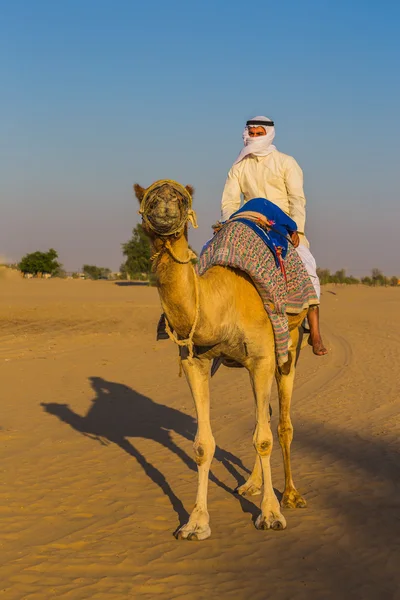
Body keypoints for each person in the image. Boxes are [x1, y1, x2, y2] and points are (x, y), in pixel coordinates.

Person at [220, 115, 327, 355]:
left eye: (259, 134)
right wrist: (230, 221)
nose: (254, 138)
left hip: (284, 226)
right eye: (252, 133)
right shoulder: (238, 167)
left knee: (306, 267)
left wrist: (296, 228)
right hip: (248, 223)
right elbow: (229, 201)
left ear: (269, 134)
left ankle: (315, 330)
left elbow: (298, 200)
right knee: (212, 254)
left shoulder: (286, 162)